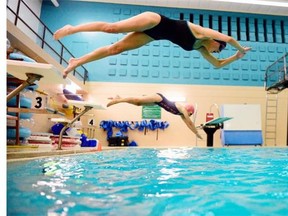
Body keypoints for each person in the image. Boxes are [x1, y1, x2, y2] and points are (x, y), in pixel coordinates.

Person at [53, 11, 251, 78]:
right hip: (155, 21)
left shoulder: (198, 48)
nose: (215, 53)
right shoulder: (202, 33)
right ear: (215, 43)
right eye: (217, 50)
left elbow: (217, 66)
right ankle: (73, 28)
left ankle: (76, 62)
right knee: (112, 28)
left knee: (115, 49)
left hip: (153, 36)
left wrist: (235, 57)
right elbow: (230, 39)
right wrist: (241, 50)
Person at [107, 93, 203, 139]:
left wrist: (195, 133)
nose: (190, 116)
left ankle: (120, 98)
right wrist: (196, 132)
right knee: (138, 100)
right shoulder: (182, 109)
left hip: (157, 103)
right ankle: (118, 99)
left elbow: (188, 124)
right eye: (191, 114)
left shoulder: (181, 114)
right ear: (189, 110)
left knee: (138, 104)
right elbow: (190, 122)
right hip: (159, 98)